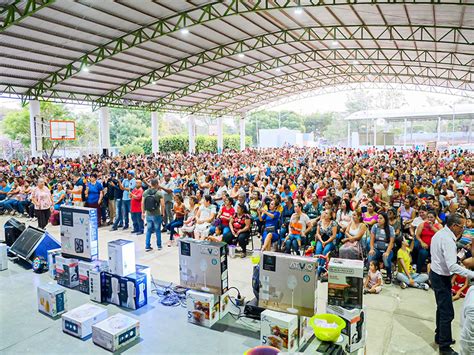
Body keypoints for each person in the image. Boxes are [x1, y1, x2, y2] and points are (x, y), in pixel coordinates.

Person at [430, 213, 474, 355]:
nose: (463, 229)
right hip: (441, 278)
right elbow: (452, 267)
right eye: (461, 227)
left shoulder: (440, 234)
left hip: (436, 274)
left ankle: (440, 336)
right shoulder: (448, 240)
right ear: (454, 226)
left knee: (441, 308)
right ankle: (445, 346)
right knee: (447, 313)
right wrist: (472, 274)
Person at [368, 212, 395, 284]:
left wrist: (387, 252)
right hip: (376, 249)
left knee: (385, 258)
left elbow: (391, 242)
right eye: (378, 218)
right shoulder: (375, 227)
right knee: (370, 256)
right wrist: (371, 249)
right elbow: (372, 239)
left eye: (381, 218)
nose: (378, 220)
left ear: (385, 220)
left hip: (387, 249)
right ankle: (372, 275)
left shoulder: (391, 228)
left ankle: (389, 275)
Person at [142, 178, 165, 252]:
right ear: (156, 184)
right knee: (157, 230)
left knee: (148, 230)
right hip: (156, 214)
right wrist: (163, 213)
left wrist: (143, 212)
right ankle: (159, 246)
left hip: (148, 214)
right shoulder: (159, 193)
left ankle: (147, 246)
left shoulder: (145, 192)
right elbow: (163, 204)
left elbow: (142, 203)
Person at [315, 210, 337, 275]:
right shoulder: (319, 222)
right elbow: (317, 233)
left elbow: (334, 235)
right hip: (321, 240)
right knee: (318, 250)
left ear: (330, 216)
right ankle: (317, 266)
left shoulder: (333, 223)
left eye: (326, 213)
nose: (324, 214)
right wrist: (322, 241)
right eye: (324, 213)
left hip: (330, 240)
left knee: (325, 251)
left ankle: (321, 267)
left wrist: (326, 242)